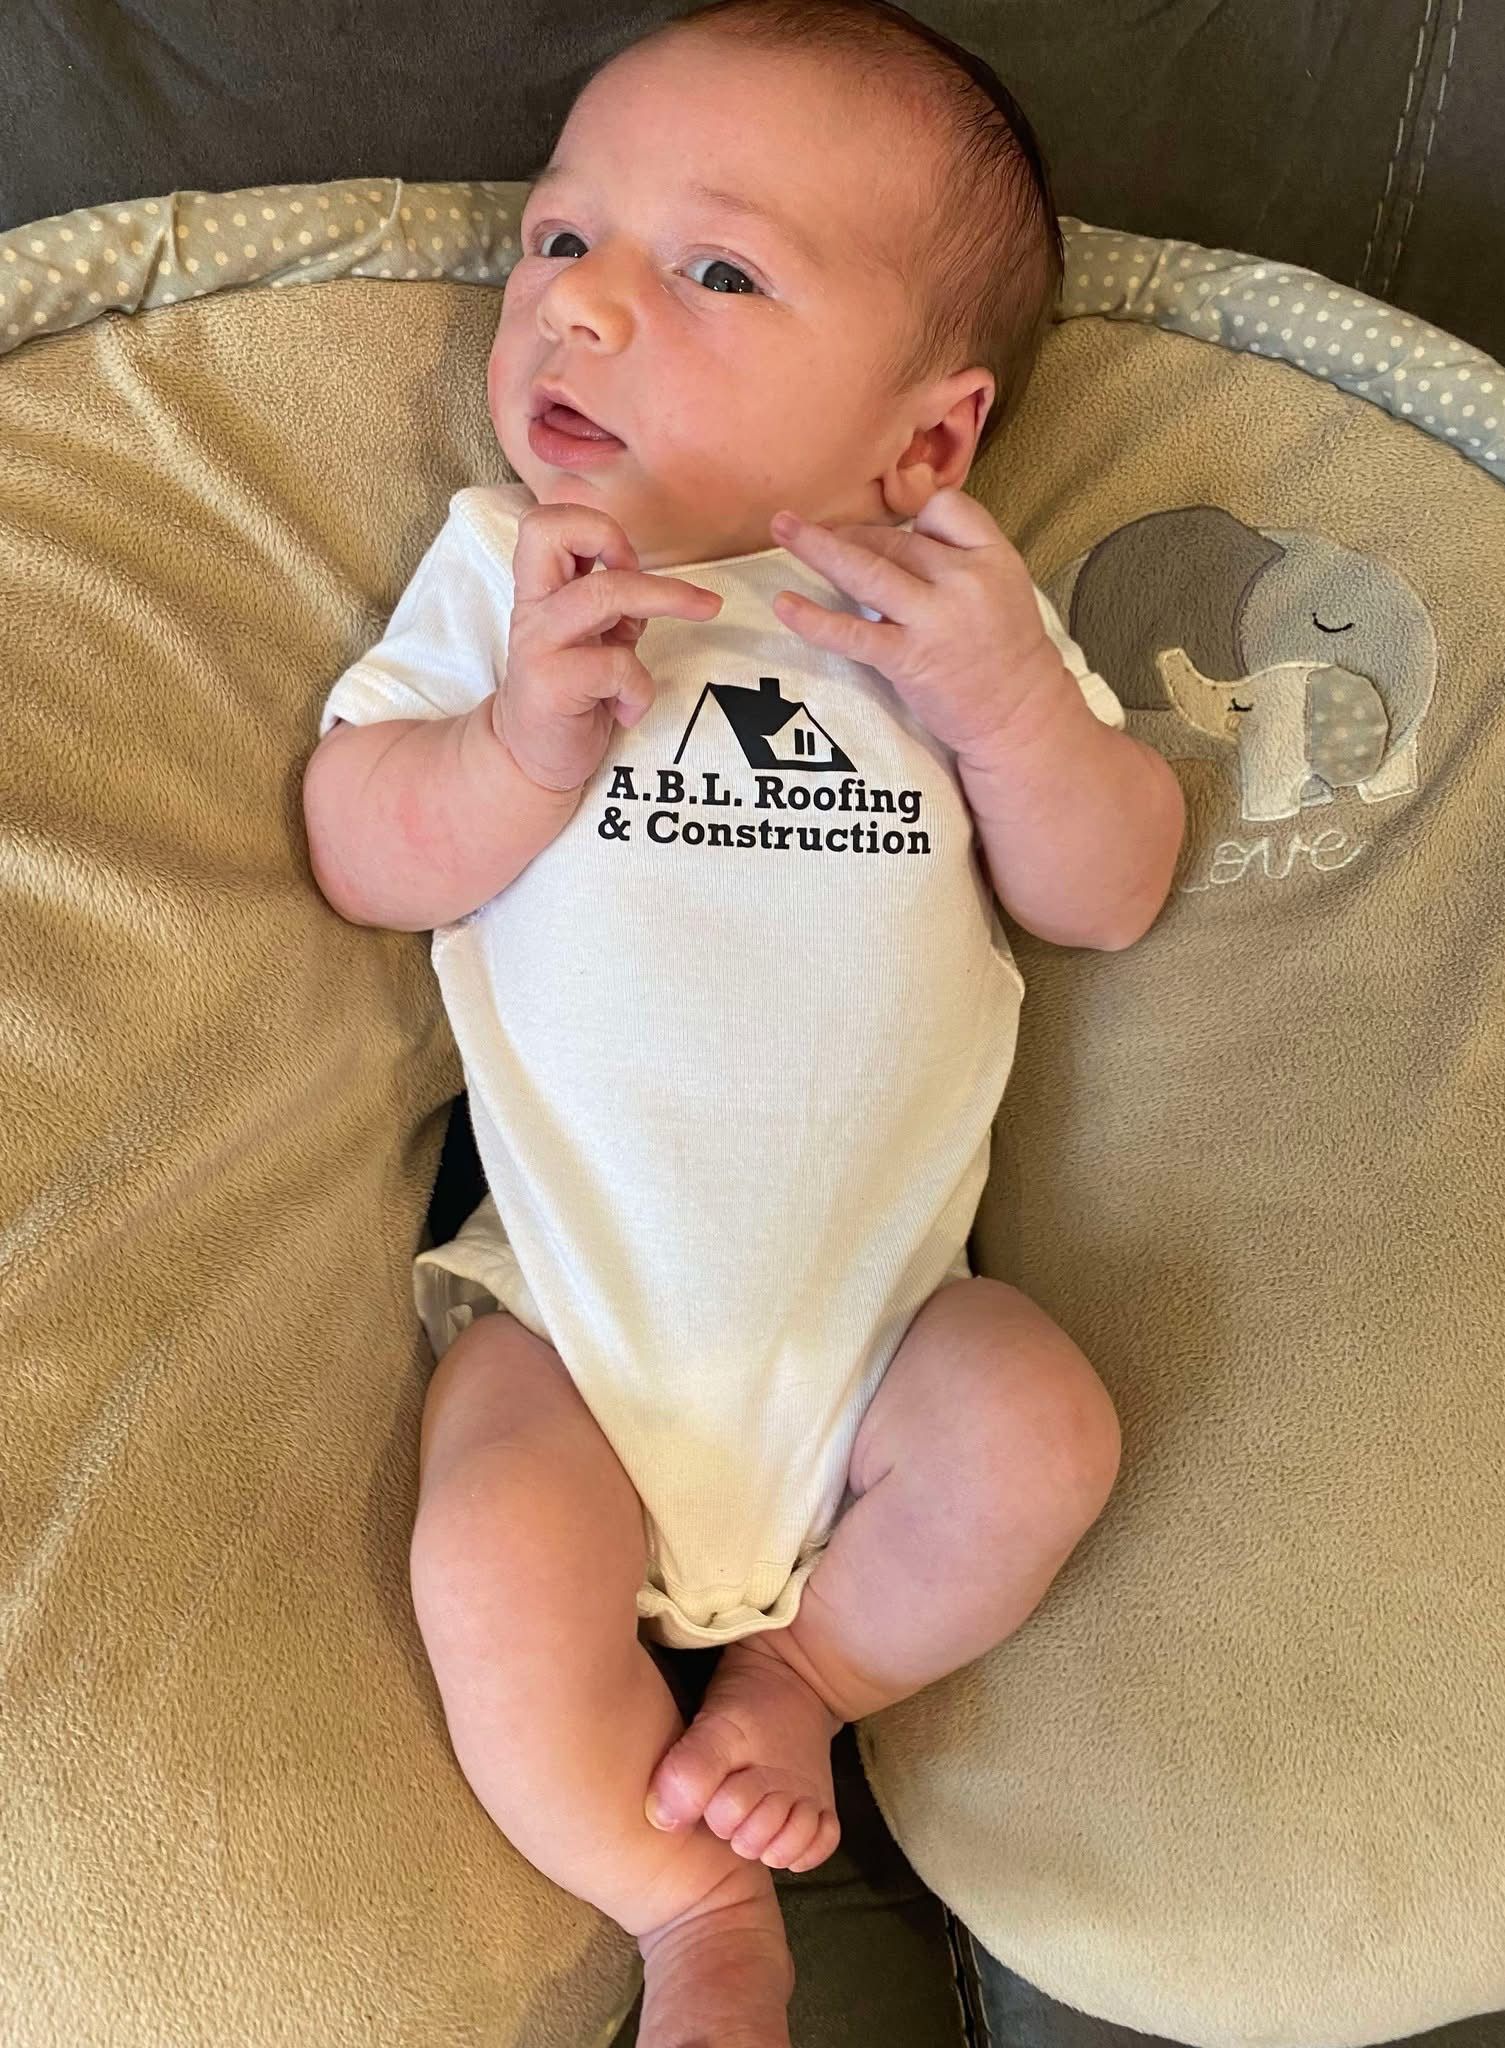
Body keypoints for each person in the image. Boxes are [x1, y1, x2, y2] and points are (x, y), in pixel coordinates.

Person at [302, 3, 1185, 2040]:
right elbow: (364, 840)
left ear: (929, 441)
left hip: (890, 1320)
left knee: (1044, 1428)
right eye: (558, 241)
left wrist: (1017, 715)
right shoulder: (513, 575)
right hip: (575, 1317)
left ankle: (800, 1686)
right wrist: (519, 741)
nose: (583, 309)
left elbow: (1109, 885)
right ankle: (687, 1908)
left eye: (713, 269)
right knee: (499, 1553)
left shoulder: (948, 611)